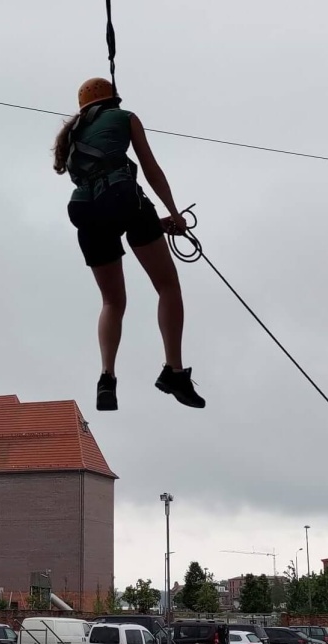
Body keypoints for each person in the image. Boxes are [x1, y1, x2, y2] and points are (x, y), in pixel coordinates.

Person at [53, 76, 205, 411]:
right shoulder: (125, 117)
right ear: (113, 99)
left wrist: (157, 224)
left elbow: (103, 192)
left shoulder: (74, 133)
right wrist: (174, 213)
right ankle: (174, 371)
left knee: (111, 302)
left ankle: (106, 376)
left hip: (86, 212)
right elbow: (150, 169)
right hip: (125, 200)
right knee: (168, 286)